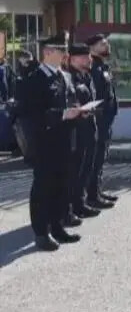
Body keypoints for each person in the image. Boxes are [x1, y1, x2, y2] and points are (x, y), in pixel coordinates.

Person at [20, 35, 83, 251]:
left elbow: (71, 101)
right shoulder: (34, 79)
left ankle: (57, 227)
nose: (65, 54)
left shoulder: (64, 76)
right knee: (43, 188)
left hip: (65, 141)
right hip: (44, 144)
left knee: (61, 185)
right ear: (47, 52)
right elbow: (32, 115)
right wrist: (63, 114)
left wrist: (80, 111)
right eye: (60, 50)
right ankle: (41, 232)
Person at [66, 42, 102, 223]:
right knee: (75, 172)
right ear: (73, 59)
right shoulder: (68, 78)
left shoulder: (85, 76)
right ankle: (71, 208)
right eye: (85, 56)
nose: (89, 60)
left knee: (86, 168)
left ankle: (80, 203)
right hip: (76, 133)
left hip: (88, 129)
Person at [85, 33, 118, 209]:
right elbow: (96, 97)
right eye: (102, 44)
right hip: (99, 121)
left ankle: (97, 191)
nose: (106, 46)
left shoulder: (102, 66)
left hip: (107, 121)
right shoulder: (93, 68)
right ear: (92, 48)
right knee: (96, 159)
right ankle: (91, 196)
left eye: (106, 43)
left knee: (101, 158)